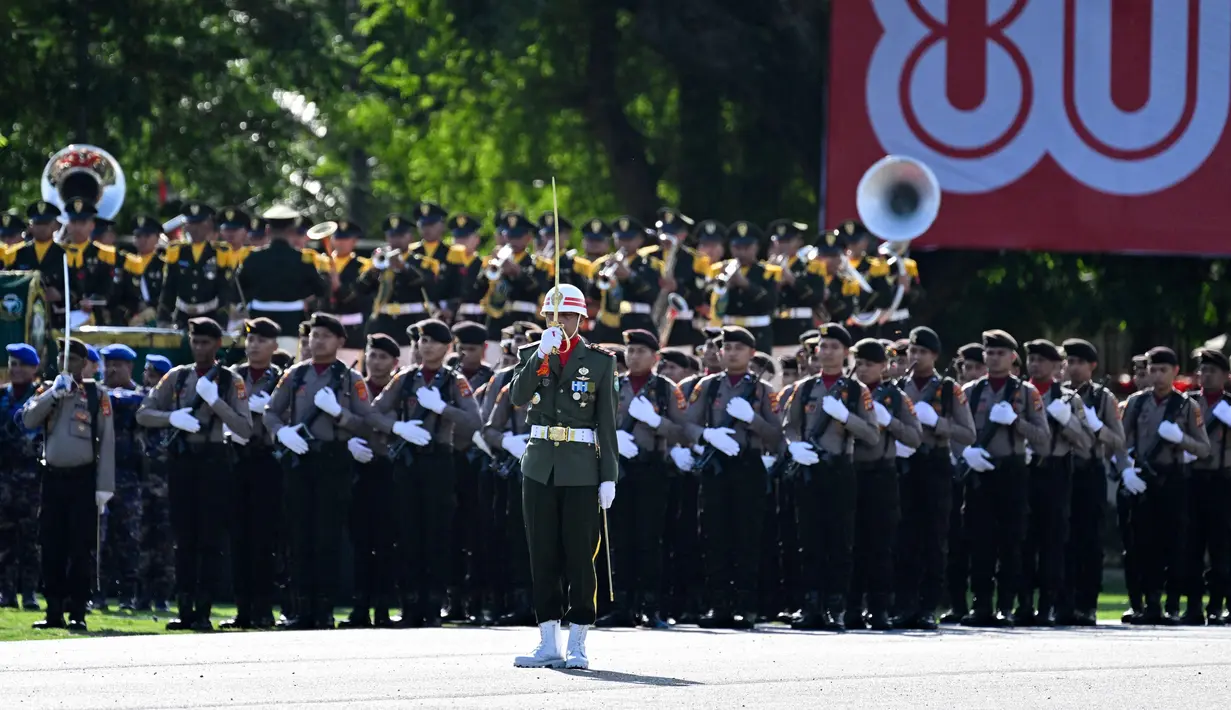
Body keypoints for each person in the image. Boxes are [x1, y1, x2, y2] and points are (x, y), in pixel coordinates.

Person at [509, 284, 618, 670]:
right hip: (539, 465)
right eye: (553, 317)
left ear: (580, 318)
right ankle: (547, 642)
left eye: (568, 316)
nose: (560, 323)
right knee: (542, 554)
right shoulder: (531, 355)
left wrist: (609, 476)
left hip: (581, 467)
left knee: (579, 555)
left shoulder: (600, 362)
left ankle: (578, 643)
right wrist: (540, 353)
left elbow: (606, 422)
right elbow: (517, 397)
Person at [136, 318, 252, 631]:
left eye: (206, 342)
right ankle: (185, 607)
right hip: (182, 461)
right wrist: (171, 416)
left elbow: (245, 427)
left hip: (214, 460)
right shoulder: (177, 376)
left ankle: (204, 609)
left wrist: (215, 402)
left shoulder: (229, 380)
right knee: (184, 538)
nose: (199, 347)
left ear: (217, 345)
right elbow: (144, 413)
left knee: (209, 539)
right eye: (195, 341)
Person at [264, 312, 376, 629]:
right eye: (314, 335)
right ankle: (302, 607)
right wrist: (280, 433)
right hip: (301, 459)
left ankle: (324, 607)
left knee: (326, 535)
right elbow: (272, 412)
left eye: (325, 336)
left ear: (340, 341)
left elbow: (366, 422)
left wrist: (339, 414)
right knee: (300, 535)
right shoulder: (296, 375)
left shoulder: (350, 379)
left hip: (333, 459)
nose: (317, 341)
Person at [371, 318, 481, 626]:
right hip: (408, 460)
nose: (425, 346)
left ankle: (433, 603)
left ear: (447, 348)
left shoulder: (453, 381)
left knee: (436, 533)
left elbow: (474, 421)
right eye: (421, 340)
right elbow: (374, 411)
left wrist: (441, 408)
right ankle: (409, 604)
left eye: (432, 341)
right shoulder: (405, 379)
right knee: (406, 531)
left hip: (439, 461)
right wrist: (397, 426)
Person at [685, 325, 783, 629]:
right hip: (717, 468)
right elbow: (687, 425)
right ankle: (719, 605)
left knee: (747, 536)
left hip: (748, 467)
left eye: (738, 348)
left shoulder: (763, 390)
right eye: (726, 348)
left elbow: (777, 437)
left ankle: (745, 606)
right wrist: (707, 435)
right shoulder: (708, 386)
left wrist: (752, 419)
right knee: (714, 536)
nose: (731, 353)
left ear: (751, 354)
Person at [780, 324, 877, 630]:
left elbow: (872, 434)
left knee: (839, 540)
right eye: (823, 346)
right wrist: (795, 446)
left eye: (835, 346)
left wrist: (846, 417)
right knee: (808, 540)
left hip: (839, 469)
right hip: (810, 469)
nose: (827, 351)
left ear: (846, 352)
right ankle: (811, 605)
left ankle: (836, 606)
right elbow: (790, 425)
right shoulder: (805, 388)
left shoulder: (856, 390)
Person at [595, 329, 689, 629]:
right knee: (619, 540)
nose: (633, 356)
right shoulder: (611, 385)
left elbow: (682, 430)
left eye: (640, 351)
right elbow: (592, 422)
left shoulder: (665, 389)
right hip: (618, 470)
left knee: (650, 539)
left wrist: (655, 421)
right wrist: (612, 439)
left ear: (655, 357)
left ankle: (651, 606)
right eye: (630, 350)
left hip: (652, 470)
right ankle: (621, 605)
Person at [22, 338, 116, 631]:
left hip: (82, 478)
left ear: (83, 364)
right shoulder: (48, 388)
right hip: (53, 477)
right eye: (62, 358)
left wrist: (105, 485)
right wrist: (52, 394)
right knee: (51, 545)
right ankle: (53, 610)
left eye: (73, 360)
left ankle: (77, 610)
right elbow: (28, 419)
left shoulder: (95, 394)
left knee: (80, 547)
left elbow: (107, 438)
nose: (67, 364)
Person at [959, 329, 1050, 627]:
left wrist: (1016, 421)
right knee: (979, 542)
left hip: (1012, 472)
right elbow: (955, 432)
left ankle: (1006, 606)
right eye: (990, 352)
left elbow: (1043, 440)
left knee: (1011, 542)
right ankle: (981, 606)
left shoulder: (1026, 393)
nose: (994, 358)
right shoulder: (970, 391)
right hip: (979, 472)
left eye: (1001, 353)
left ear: (1013, 358)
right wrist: (966, 453)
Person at [1116, 346, 1210, 624]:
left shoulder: (1186, 405)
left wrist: (1180, 438)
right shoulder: (1137, 402)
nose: (1157, 375)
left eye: (1163, 370)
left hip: (1174, 479)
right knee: (1144, 544)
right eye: (1153, 370)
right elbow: (1121, 443)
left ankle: (1172, 605)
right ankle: (1151, 604)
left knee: (1175, 542)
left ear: (1175, 372)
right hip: (1144, 479)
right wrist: (1126, 472)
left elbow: (1204, 448)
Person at [1017, 339, 1092, 626]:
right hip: (1022, 471)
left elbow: (1086, 442)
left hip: (1054, 473)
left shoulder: (1069, 399)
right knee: (1022, 539)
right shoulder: (1017, 392)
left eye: (1042, 360)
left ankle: (1048, 604)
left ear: (1056, 366)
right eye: (1031, 359)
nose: (1035, 365)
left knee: (1052, 540)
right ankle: (1022, 603)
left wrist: (1068, 422)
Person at [848, 338, 921, 630]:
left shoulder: (895, 396)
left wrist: (889, 421)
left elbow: (914, 437)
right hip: (850, 472)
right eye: (859, 363)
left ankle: (879, 609)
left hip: (881, 473)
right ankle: (851, 608)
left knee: (879, 544)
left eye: (869, 364)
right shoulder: (846, 392)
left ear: (884, 366)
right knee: (850, 543)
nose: (863, 369)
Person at [219, 318, 285, 630]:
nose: (253, 344)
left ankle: (264, 608)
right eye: (250, 339)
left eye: (261, 339)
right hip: (236, 459)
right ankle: (243, 608)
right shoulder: (232, 377)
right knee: (239, 539)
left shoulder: (282, 379)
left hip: (267, 461)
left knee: (265, 539)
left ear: (274, 345)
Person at [1059, 338, 1125, 626]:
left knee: (1088, 539)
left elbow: (1119, 440)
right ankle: (1062, 602)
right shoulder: (1056, 396)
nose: (1073, 368)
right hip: (1060, 471)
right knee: (1061, 539)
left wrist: (1097, 427)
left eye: (1079, 362)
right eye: (1069, 362)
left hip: (1090, 470)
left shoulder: (1103, 398)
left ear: (1092, 366)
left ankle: (1086, 604)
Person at [340, 333, 401, 628]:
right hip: (358, 471)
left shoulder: (400, 388)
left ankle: (383, 609)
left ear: (394, 362)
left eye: (382, 357)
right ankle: (359, 607)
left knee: (387, 543)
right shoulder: (353, 386)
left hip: (390, 471)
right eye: (372, 355)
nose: (375, 362)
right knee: (360, 542)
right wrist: (348, 443)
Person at [96, 344, 146, 611]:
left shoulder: (141, 395)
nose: (113, 368)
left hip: (128, 476)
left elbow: (137, 404)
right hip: (100, 474)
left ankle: (129, 595)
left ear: (130, 367)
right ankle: (99, 594)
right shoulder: (95, 393)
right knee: (98, 539)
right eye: (108, 362)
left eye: (119, 363)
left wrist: (113, 397)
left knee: (128, 538)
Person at [236, 205, 328, 347]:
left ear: (267, 230)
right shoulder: (303, 259)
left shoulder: (253, 257)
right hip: (291, 323)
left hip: (258, 321)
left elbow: (239, 287)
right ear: (291, 231)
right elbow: (320, 289)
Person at [1185, 348, 1231, 625]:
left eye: (1213, 370)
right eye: (1203, 370)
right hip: (1192, 479)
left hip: (1223, 479)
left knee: (1222, 545)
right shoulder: (1186, 404)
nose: (1207, 375)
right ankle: (1192, 604)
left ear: (1226, 375)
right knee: (1190, 544)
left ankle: (1218, 603)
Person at [0, 344, 45, 611]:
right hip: (4, 477)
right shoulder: (1, 396)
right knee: (4, 537)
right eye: (12, 363)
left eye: (21, 364)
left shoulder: (41, 396)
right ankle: (5, 591)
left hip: (32, 478)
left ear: (33, 369)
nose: (15, 369)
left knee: (31, 538)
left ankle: (29, 592)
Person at [137, 354, 175, 612]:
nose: (148, 378)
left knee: (164, 543)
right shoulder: (138, 401)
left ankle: (162, 595)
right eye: (147, 372)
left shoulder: (173, 405)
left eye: (154, 374)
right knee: (140, 540)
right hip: (141, 480)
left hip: (167, 482)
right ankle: (139, 595)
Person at [157, 201, 234, 329]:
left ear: (208, 226)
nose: (195, 228)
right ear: (185, 226)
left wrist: (222, 318)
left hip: (211, 316)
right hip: (182, 317)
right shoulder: (176, 251)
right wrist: (164, 317)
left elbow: (224, 290)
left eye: (200, 223)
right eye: (191, 223)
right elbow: (169, 288)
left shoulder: (220, 252)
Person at [710, 222, 781, 353]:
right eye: (737, 247)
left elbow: (771, 303)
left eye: (747, 247)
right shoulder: (719, 270)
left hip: (758, 334)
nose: (741, 252)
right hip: (729, 332)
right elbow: (707, 301)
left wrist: (746, 285)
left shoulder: (769, 271)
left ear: (757, 247)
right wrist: (725, 288)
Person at [317, 220, 372, 363]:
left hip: (351, 329)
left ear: (354, 241)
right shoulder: (321, 262)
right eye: (338, 238)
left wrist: (338, 285)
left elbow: (359, 293)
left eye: (345, 239)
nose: (340, 242)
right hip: (325, 326)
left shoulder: (363, 265)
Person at [111, 216, 167, 326]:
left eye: (147, 236)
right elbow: (119, 295)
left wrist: (153, 308)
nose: (142, 240)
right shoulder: (127, 263)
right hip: (131, 320)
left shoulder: (164, 263)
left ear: (157, 237)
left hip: (156, 319)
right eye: (138, 236)